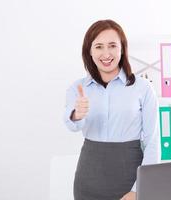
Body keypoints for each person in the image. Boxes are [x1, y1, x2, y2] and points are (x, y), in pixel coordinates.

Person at [64, 19, 159, 200]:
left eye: (112, 45)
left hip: (130, 177)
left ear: (122, 49)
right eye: (99, 46)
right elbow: (72, 124)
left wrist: (138, 189)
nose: (106, 53)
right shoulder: (78, 88)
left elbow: (152, 143)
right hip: (88, 179)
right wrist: (77, 114)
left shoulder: (143, 88)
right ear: (89, 51)